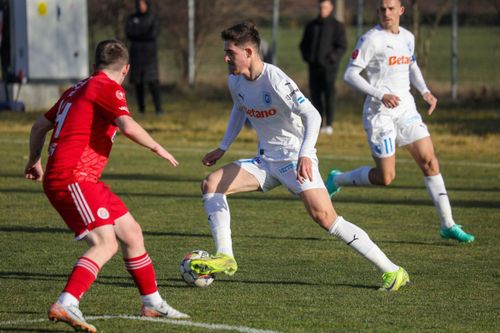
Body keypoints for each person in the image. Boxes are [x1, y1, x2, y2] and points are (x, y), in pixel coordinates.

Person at [188, 21, 410, 292]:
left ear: (248, 52)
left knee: (325, 217)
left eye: (230, 52)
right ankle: (226, 256)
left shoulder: (275, 79)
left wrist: (306, 154)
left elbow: (313, 114)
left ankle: (393, 271)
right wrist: (223, 146)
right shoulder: (235, 79)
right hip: (265, 161)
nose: (225, 57)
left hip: (294, 159)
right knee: (212, 185)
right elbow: (240, 107)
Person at [24, 39, 189, 333]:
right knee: (105, 243)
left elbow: (39, 125)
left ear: (94, 65)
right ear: (126, 69)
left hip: (83, 178)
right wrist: (157, 147)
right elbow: (126, 125)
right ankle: (67, 302)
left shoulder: (76, 88)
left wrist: (34, 160)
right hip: (73, 177)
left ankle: (152, 302)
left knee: (131, 233)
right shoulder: (107, 87)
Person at [325, 0, 475, 243]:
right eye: (382, 9)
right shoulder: (370, 39)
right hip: (379, 113)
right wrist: (380, 94)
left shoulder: (407, 36)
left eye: (391, 8)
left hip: (406, 109)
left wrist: (425, 91)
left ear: (401, 10)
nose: (386, 13)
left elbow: (411, 65)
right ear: (378, 11)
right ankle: (337, 178)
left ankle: (448, 224)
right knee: (386, 177)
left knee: (429, 161)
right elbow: (350, 74)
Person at [300, 0, 347, 135]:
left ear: (331, 8)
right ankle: (318, 124)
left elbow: (342, 46)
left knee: (329, 94)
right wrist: (308, 57)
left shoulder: (337, 26)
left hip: (329, 68)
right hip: (313, 67)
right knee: (315, 95)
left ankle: (329, 124)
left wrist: (331, 59)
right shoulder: (311, 26)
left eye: (325, 7)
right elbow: (303, 44)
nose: (323, 10)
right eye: (321, 7)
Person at [125, 0, 163, 115]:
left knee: (153, 82)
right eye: (139, 4)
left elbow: (153, 34)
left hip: (150, 56)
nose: (140, 6)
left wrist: (138, 36)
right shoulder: (132, 18)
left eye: (143, 4)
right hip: (136, 54)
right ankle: (141, 109)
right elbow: (129, 33)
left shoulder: (153, 18)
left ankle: (159, 109)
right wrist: (142, 35)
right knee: (138, 83)